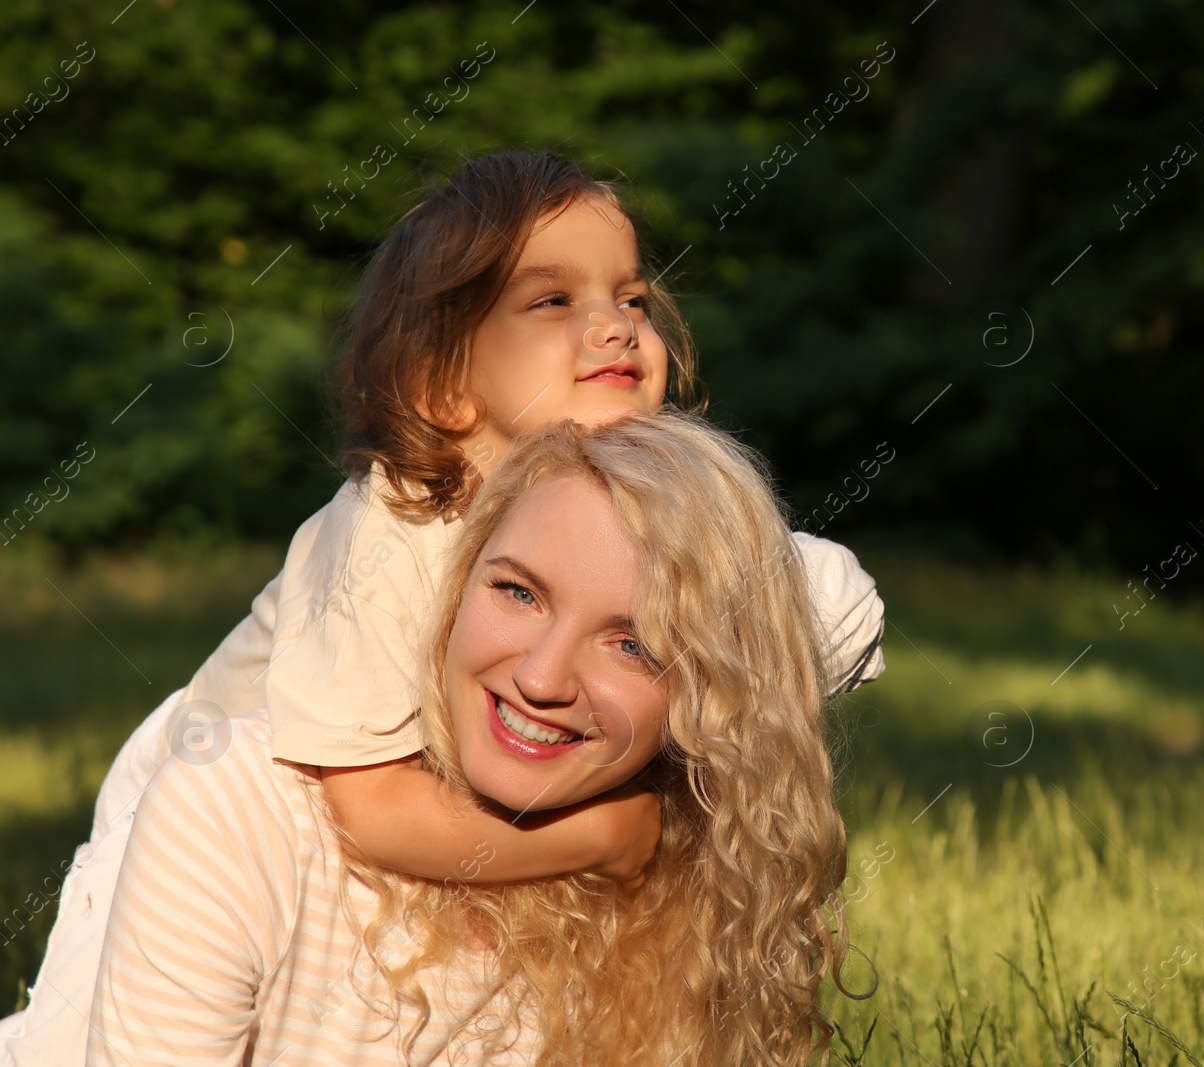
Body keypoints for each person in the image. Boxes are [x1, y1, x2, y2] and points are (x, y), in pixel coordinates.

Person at [1, 151, 884, 1065]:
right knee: (68, 1039)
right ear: (443, 385)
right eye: (552, 302)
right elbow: (373, 810)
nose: (616, 328)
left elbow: (833, 603)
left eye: (631, 298)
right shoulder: (385, 532)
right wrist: (607, 835)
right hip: (192, 823)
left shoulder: (679, 530)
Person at [90, 411, 859, 1065]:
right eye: (518, 592)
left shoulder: (689, 913)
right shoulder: (243, 812)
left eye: (634, 644)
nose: (543, 676)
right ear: (457, 587)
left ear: (709, 697)